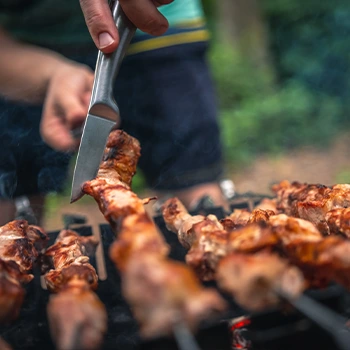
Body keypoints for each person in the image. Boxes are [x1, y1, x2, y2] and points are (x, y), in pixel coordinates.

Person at [0, 0, 227, 226]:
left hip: (153, 21)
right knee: (11, 211)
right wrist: (54, 75)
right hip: (23, 40)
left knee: (197, 198)